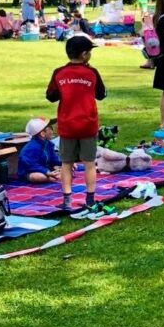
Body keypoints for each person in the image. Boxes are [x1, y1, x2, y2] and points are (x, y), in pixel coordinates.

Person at [46, 35, 107, 217]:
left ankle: (67, 199)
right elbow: (101, 94)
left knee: (66, 163)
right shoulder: (92, 73)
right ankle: (90, 198)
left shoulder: (59, 73)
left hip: (67, 126)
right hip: (88, 125)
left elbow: (51, 96)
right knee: (89, 163)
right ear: (84, 54)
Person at [18, 117, 62, 183]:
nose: (52, 131)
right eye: (50, 128)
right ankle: (51, 178)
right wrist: (46, 172)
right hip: (30, 172)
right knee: (38, 176)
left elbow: (54, 158)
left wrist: (64, 162)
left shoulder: (49, 144)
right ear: (42, 134)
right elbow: (31, 165)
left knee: (65, 168)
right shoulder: (31, 148)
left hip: (45, 168)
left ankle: (54, 175)